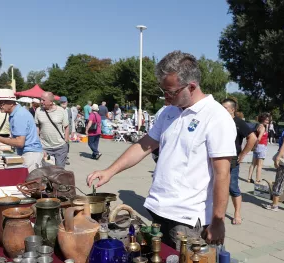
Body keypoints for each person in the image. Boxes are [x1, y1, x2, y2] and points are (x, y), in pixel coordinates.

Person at [87, 51, 236, 248]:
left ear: (191, 87)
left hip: (188, 220)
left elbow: (222, 173)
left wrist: (218, 221)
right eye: (164, 90)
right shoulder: (169, 112)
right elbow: (144, 145)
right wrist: (109, 171)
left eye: (171, 91)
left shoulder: (216, 117)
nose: (166, 96)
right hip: (158, 209)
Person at [0, 89, 43, 172]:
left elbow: (19, 142)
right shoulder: (17, 113)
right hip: (29, 152)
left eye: (2, 103)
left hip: (30, 154)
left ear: (11, 103)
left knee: (29, 182)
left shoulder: (18, 115)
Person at [222, 98, 257, 225]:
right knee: (218, 187)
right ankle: (218, 213)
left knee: (233, 187)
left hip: (232, 160)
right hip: (218, 159)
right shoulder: (218, 121)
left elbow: (252, 138)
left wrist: (242, 155)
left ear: (232, 109)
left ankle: (237, 213)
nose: (222, 110)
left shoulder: (239, 122)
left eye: (225, 107)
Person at [35, 92, 70, 168]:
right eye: (41, 99)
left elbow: (66, 127)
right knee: (47, 171)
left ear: (51, 102)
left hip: (60, 147)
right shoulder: (38, 111)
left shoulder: (61, 111)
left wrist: (66, 141)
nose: (41, 102)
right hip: (45, 147)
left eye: (43, 100)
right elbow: (37, 127)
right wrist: (38, 144)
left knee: (59, 171)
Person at [248, 113, 270, 183]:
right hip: (262, 146)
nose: (267, 121)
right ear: (263, 120)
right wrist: (255, 145)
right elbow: (259, 138)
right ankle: (258, 180)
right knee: (260, 165)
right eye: (266, 120)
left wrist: (254, 146)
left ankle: (249, 178)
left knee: (253, 163)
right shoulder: (263, 128)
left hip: (257, 146)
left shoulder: (257, 126)